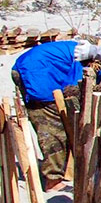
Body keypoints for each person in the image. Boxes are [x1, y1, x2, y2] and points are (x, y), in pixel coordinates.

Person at [12, 40, 86, 190]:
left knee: (51, 124)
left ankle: (59, 171)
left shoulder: (81, 49)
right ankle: (53, 179)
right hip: (38, 76)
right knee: (52, 128)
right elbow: (74, 89)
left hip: (28, 68)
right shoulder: (84, 59)